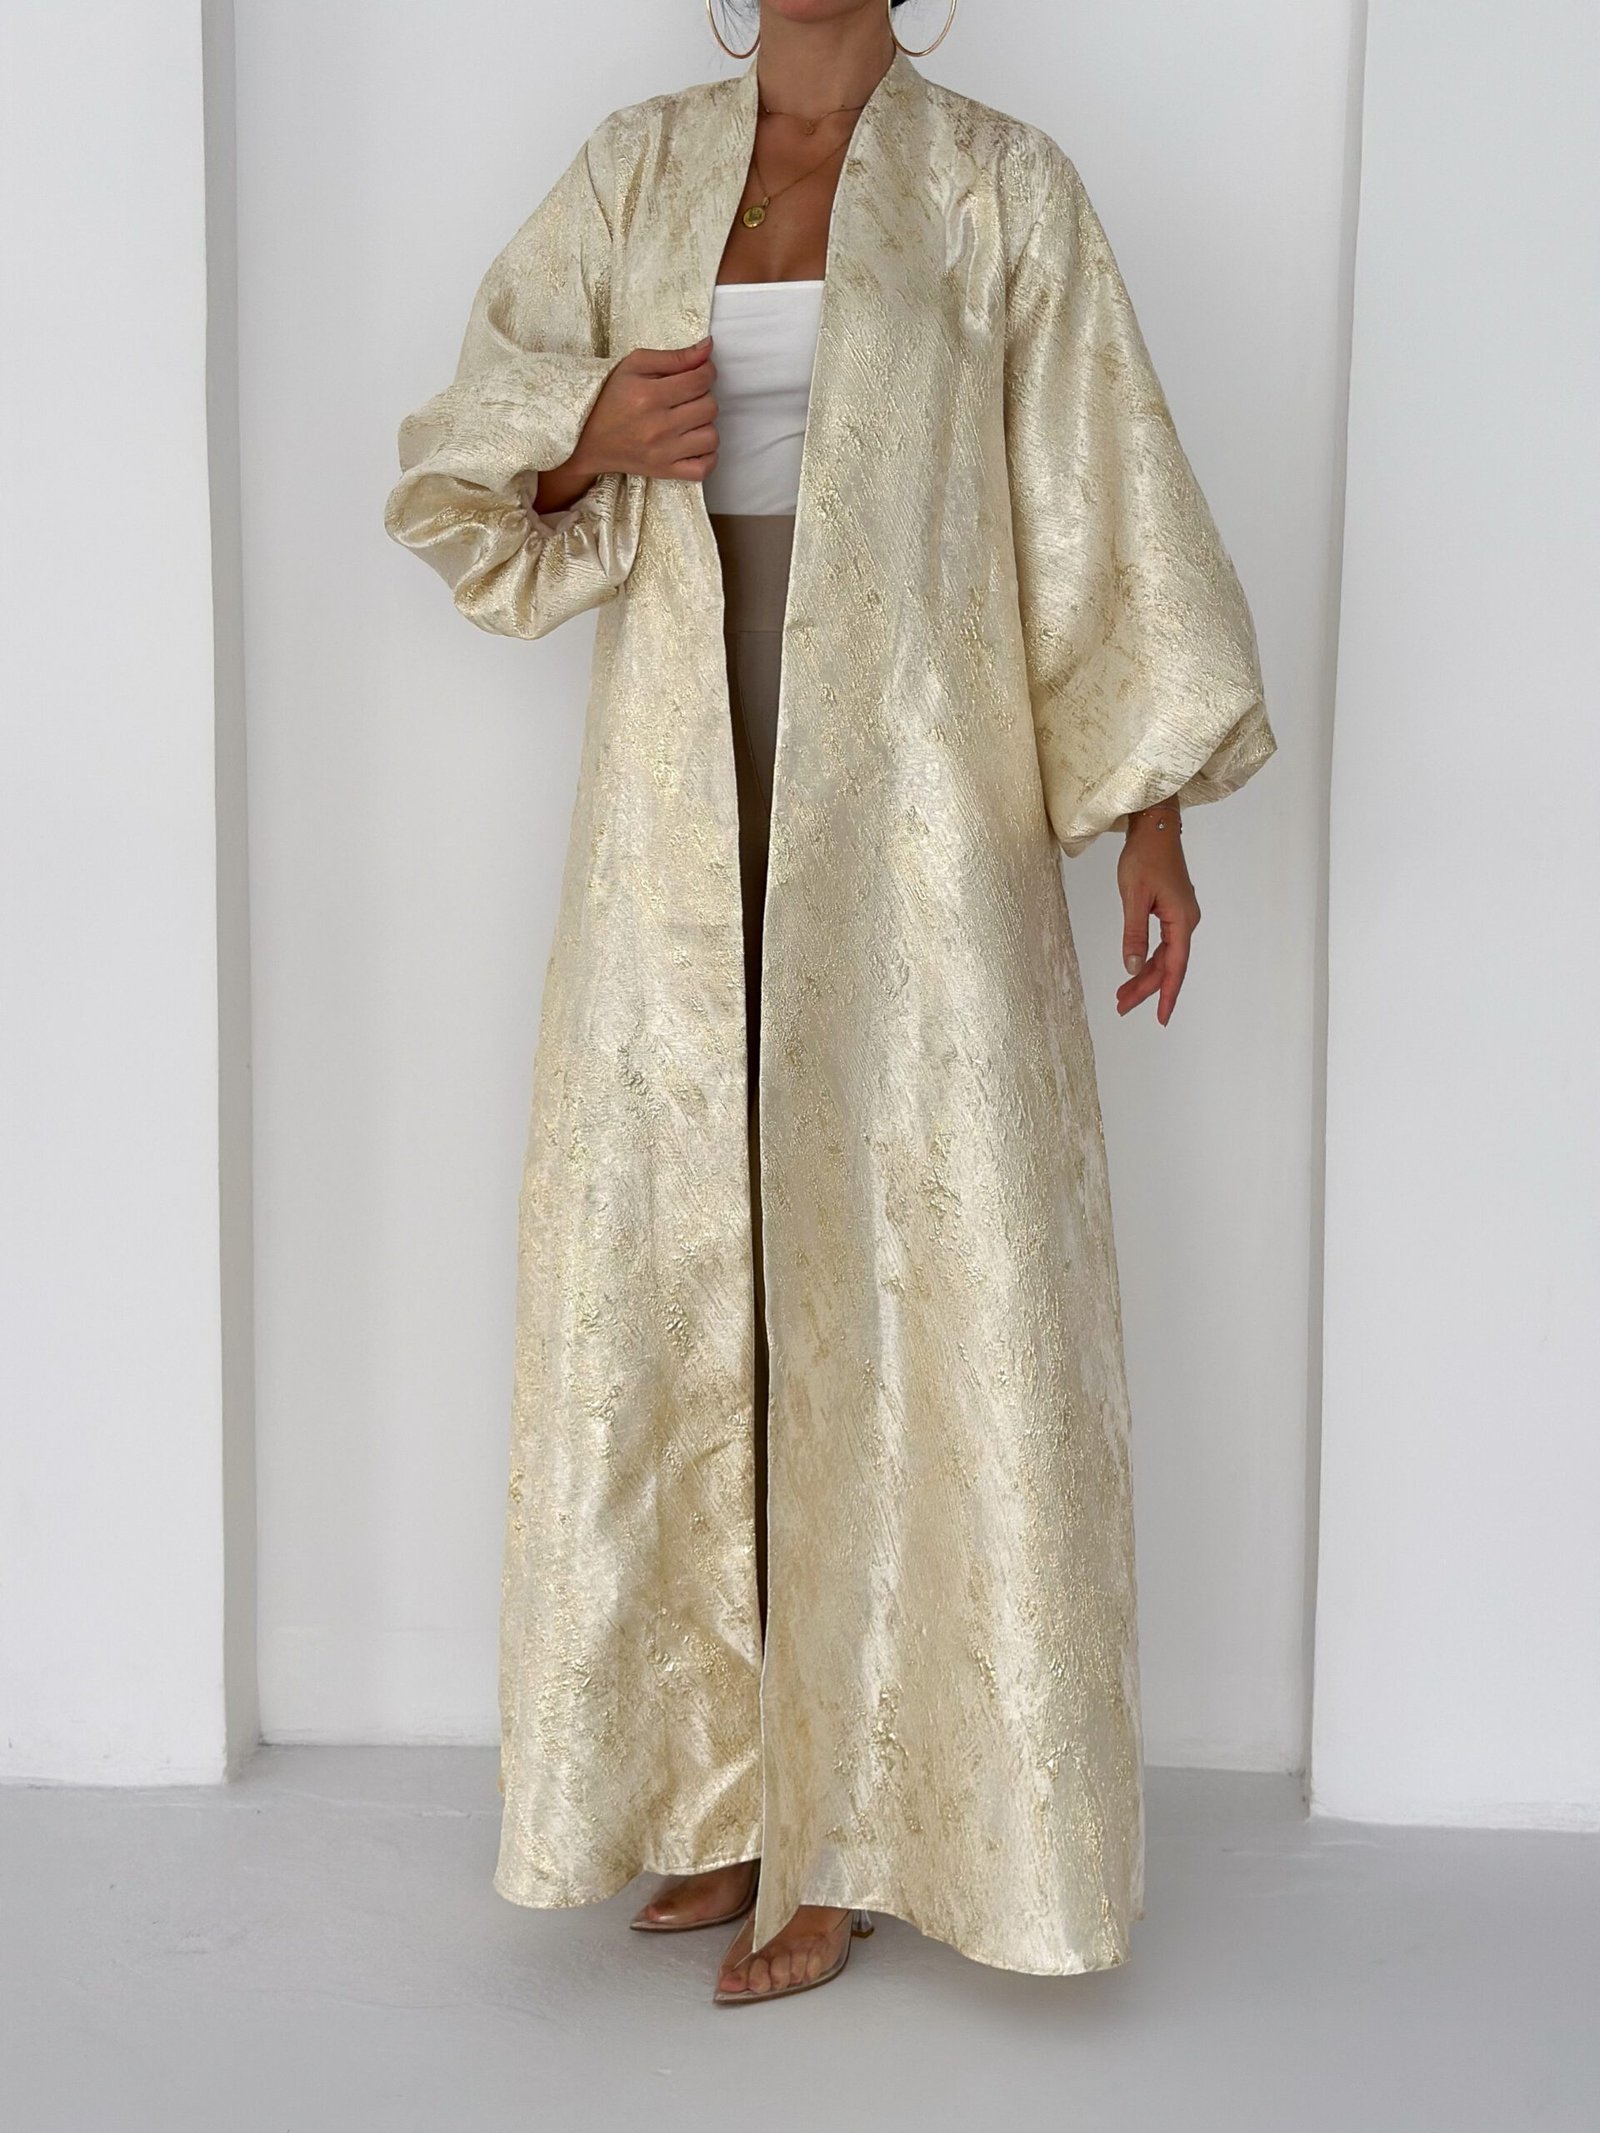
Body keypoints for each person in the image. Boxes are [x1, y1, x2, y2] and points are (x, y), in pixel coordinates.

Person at [383, 0, 1275, 2005]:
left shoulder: (994, 190)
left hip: (916, 817)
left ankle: (858, 1821)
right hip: (678, 796)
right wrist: (592, 438)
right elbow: (469, 456)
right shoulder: (637, 169)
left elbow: (1100, 503)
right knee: (685, 1258)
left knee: (894, 1267)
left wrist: (1148, 819)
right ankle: (715, 1788)